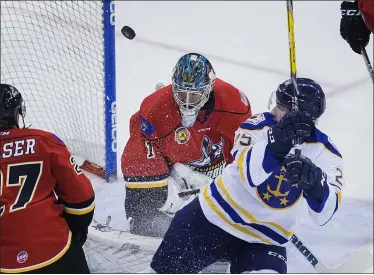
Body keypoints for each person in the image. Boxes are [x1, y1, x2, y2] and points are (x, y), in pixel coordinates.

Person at [144, 78, 344, 273]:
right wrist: (275, 146)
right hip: (212, 217)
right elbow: (248, 174)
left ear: (301, 115)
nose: (274, 110)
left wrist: (315, 184)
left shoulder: (326, 154)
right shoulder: (258, 126)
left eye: (281, 106)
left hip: (265, 239)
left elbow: (324, 215)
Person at [121, 53, 252, 237]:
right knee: (146, 214)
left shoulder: (234, 103)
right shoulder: (155, 109)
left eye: (195, 96)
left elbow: (244, 157)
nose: (187, 103)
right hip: (175, 172)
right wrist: (149, 200)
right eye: (182, 94)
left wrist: (235, 187)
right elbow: (140, 153)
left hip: (213, 173)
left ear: (208, 89)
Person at [0, 84, 95, 273]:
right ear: (17, 112)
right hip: (54, 252)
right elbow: (82, 199)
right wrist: (76, 229)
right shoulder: (45, 141)